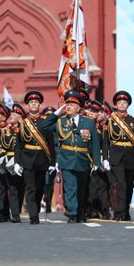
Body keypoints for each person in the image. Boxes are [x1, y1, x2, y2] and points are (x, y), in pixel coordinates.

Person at [41, 91, 101, 223]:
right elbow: (44, 126)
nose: (68, 107)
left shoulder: (88, 122)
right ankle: (72, 213)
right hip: (67, 159)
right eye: (67, 104)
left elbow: (95, 143)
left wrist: (97, 162)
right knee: (70, 188)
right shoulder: (61, 121)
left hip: (83, 159)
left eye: (72, 105)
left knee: (82, 189)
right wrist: (56, 114)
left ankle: (80, 212)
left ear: (79, 108)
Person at [102, 91, 134, 222]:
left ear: (128, 105)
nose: (122, 104)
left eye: (124, 102)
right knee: (120, 184)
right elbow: (106, 142)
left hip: (130, 156)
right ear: (116, 105)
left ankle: (126, 209)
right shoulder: (110, 121)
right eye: (119, 103)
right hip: (116, 155)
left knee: (129, 185)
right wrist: (105, 158)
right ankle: (119, 211)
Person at [18, 96, 54, 224]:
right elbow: (19, 145)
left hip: (42, 159)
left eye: (36, 102)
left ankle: (36, 210)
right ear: (28, 105)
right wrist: (17, 162)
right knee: (31, 188)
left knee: (39, 189)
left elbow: (50, 143)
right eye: (31, 102)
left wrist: (52, 162)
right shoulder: (23, 124)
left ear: (39, 105)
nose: (33, 104)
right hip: (27, 159)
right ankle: (33, 216)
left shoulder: (45, 122)